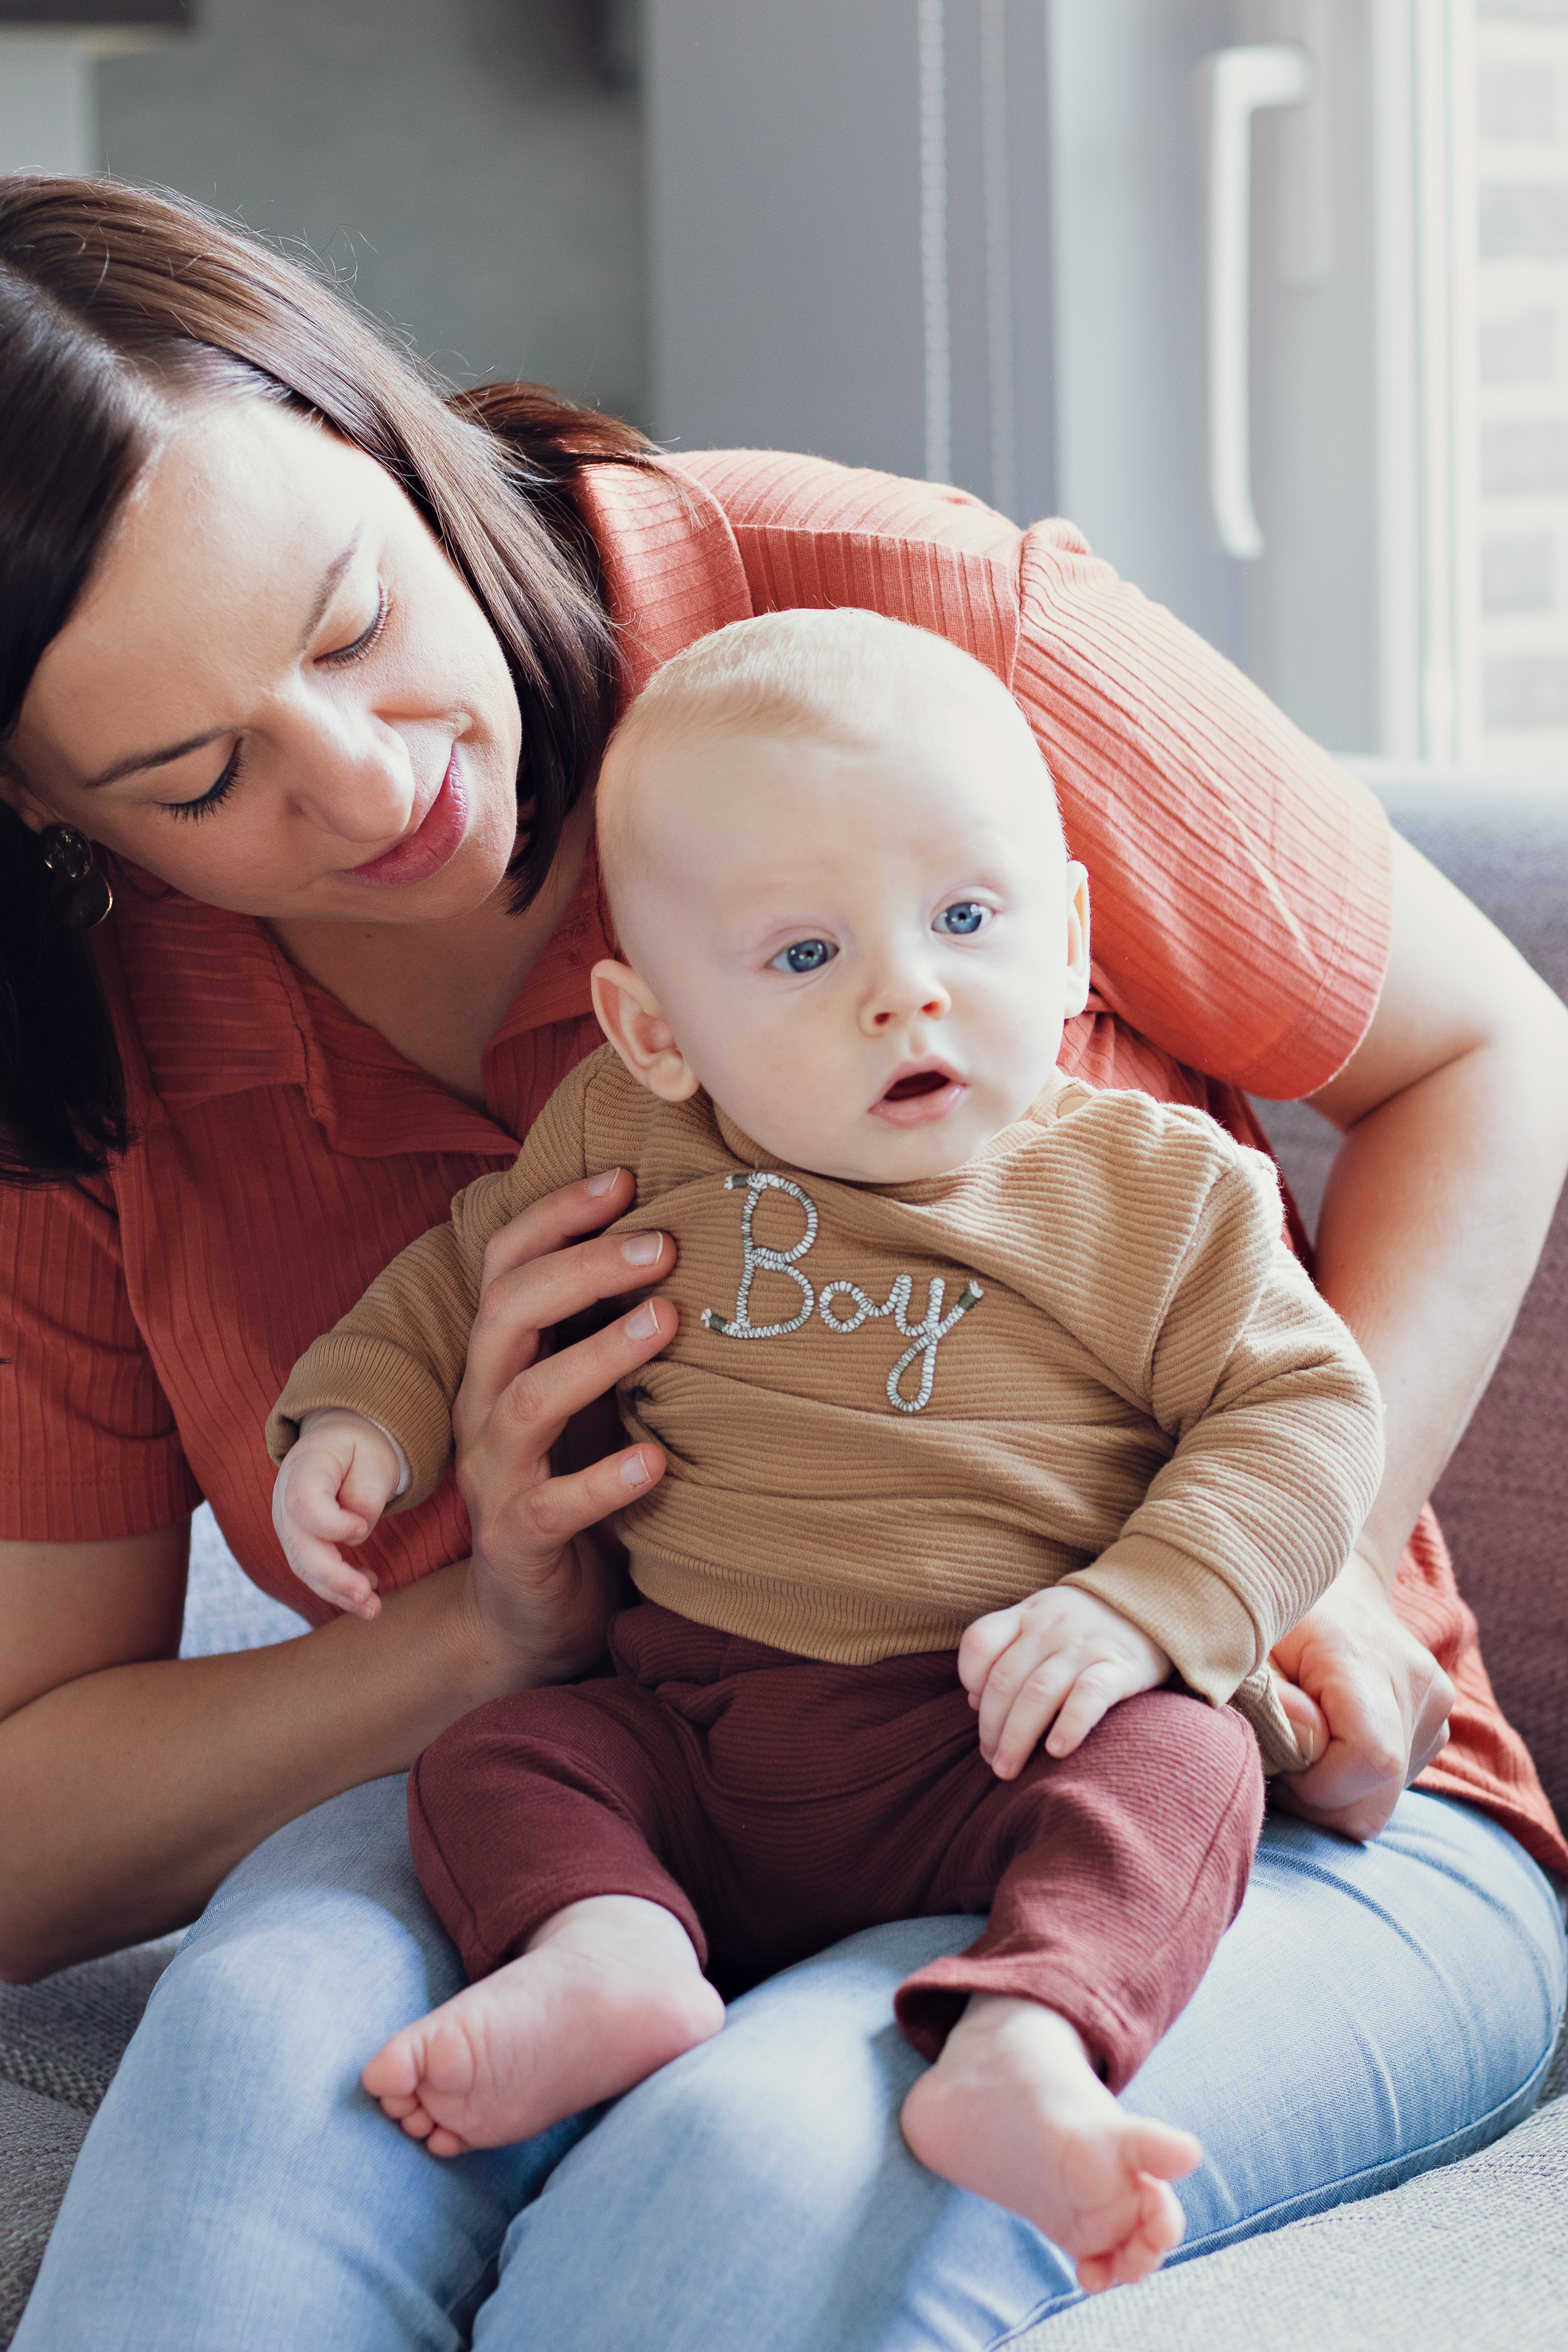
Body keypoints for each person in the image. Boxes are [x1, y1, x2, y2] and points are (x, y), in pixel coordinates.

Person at [0, 177, 1563, 2351]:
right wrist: (492, 1634)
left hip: (1213, 1772)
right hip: (669, 1768)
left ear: (373, 429)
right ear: (47, 814)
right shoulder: (86, 1021)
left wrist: (1269, 1567)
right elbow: (25, 1820)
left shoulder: (896, 629)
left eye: (355, 620)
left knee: (757, 2163)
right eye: (195, 775)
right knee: (269, 2053)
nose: (373, 786)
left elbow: (1486, 1050)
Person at [267, 608, 1383, 2286]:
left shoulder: (1155, 1198)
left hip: (1008, 1723)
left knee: (1187, 1770)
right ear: (652, 1032)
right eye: (805, 957)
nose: (907, 991)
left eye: (964, 918)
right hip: (703, 1731)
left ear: (1069, 939)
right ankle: (610, 1948)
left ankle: (1027, 2045)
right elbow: (467, 1266)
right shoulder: (631, 1141)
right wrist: (358, 1412)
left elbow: (1303, 1413)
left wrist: (1149, 1608)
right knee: (497, 1766)